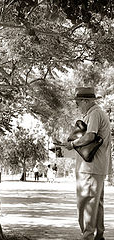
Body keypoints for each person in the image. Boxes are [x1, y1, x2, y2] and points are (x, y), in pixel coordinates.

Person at [64, 87, 111, 240]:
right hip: (96, 167)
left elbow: (90, 136)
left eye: (78, 102)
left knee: (86, 203)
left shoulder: (95, 113)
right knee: (96, 204)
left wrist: (73, 143)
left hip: (90, 168)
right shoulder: (97, 113)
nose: (77, 106)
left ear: (86, 101)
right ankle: (98, 235)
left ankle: (88, 236)